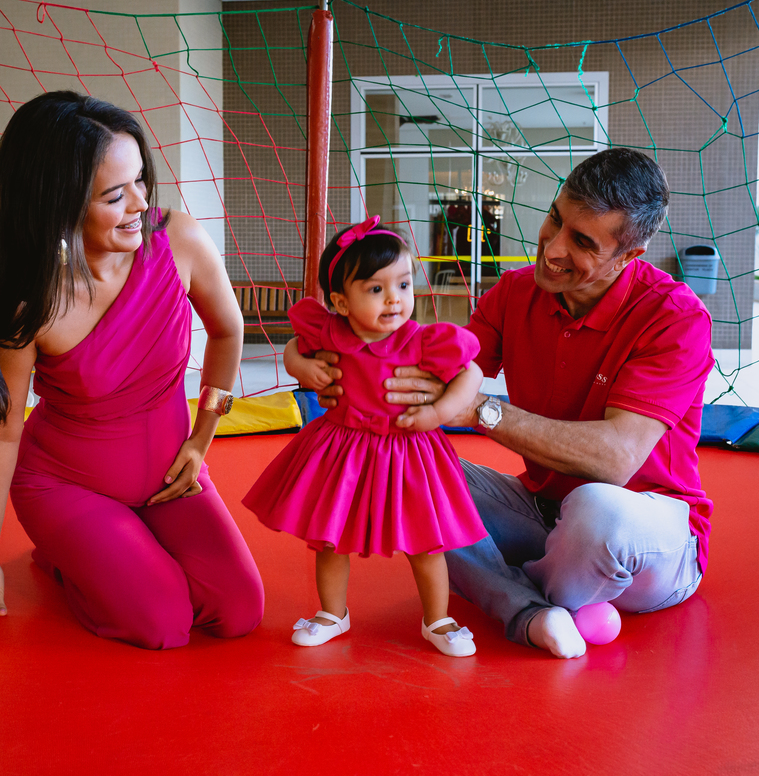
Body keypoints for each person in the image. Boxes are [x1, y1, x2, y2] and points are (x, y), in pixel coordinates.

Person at [287, 149, 713, 659]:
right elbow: (429, 373)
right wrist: (346, 361)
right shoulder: (514, 292)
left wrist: (479, 410)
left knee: (600, 512)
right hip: (540, 512)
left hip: (645, 535)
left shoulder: (676, 317)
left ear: (628, 257)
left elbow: (613, 460)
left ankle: (507, 582)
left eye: (581, 242)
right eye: (556, 218)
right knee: (410, 473)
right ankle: (535, 611)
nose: (551, 249)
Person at [0, 91, 263, 649]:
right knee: (163, 625)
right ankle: (62, 556)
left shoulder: (178, 240)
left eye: (140, 182)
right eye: (113, 194)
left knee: (239, 610)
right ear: (61, 203)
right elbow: (2, 431)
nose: (138, 204)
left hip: (169, 479)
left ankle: (113, 550)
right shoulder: (33, 303)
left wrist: (202, 437)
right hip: (65, 485)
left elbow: (229, 331)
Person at [244, 217, 486, 657]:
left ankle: (438, 618)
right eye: (376, 289)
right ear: (340, 300)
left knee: (425, 541)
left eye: (403, 285)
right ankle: (332, 613)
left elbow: (472, 370)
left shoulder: (424, 341)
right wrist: (300, 367)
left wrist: (440, 410)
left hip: (409, 452)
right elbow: (296, 345)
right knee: (329, 536)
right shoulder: (329, 332)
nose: (395, 299)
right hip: (343, 449)